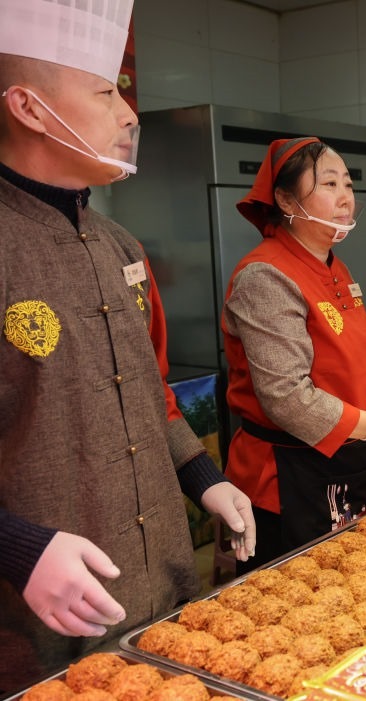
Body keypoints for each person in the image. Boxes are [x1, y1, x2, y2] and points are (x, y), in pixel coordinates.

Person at [0, 0, 255, 691]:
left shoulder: (122, 248)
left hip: (162, 595)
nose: (129, 115)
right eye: (105, 92)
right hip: (38, 631)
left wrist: (204, 478)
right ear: (29, 107)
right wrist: (20, 549)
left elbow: (150, 394)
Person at [223, 136, 366, 574]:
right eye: (329, 184)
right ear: (285, 199)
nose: (345, 197)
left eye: (348, 185)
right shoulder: (266, 275)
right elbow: (286, 398)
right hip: (288, 478)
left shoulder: (334, 267)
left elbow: (346, 368)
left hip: (344, 462)